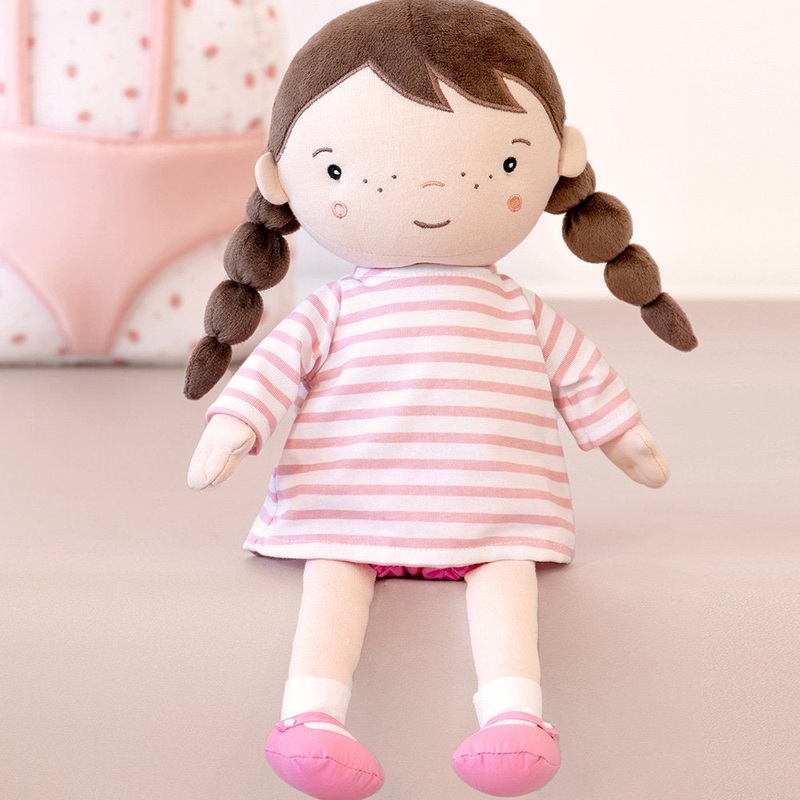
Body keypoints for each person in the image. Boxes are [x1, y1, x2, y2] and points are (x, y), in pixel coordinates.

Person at [185, 2, 696, 797]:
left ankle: (515, 719)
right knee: (334, 574)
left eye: (502, 165)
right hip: (348, 498)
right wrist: (233, 425)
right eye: (339, 171)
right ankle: (311, 719)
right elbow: (271, 374)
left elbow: (582, 379)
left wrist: (623, 437)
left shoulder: (518, 310)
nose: (429, 189)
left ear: (559, 162)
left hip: (492, 508)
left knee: (505, 575)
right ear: (281, 182)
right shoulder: (334, 310)